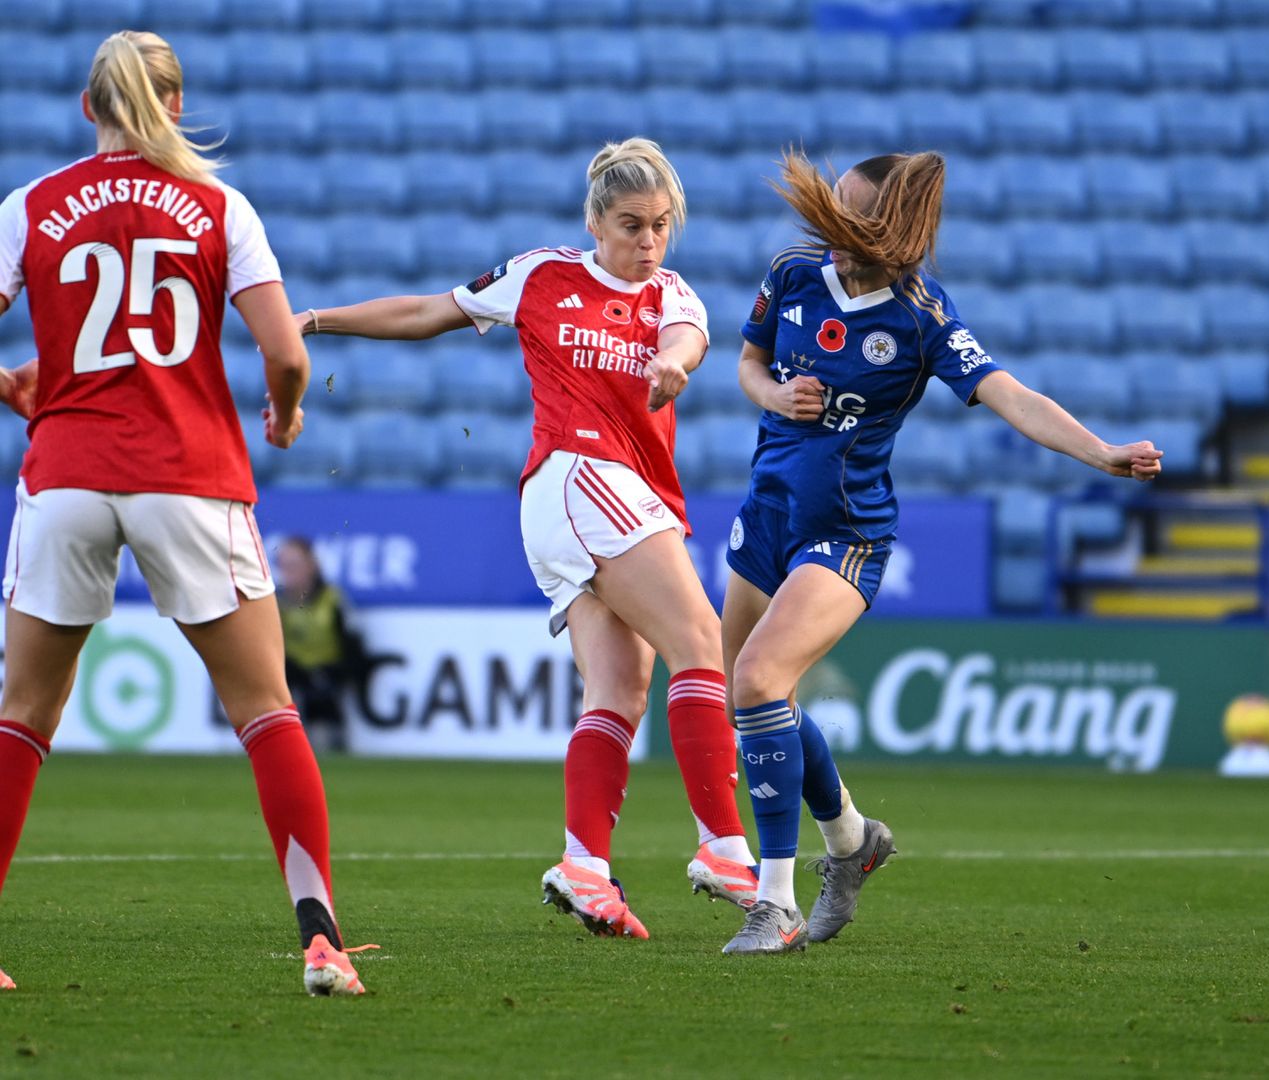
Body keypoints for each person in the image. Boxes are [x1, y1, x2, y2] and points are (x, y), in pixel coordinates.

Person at [299, 138, 757, 938]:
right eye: (629, 225)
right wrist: (316, 319)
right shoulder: (543, 274)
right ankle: (722, 844)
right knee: (700, 641)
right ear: (595, 220)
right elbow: (425, 312)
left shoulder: (675, 297)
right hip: (578, 476)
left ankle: (584, 867)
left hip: (612, 496)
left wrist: (675, 367)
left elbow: (687, 340)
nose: (646, 242)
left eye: (659, 227)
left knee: (620, 690)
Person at [0, 31, 375, 995]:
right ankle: (322, 942)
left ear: (89, 109)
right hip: (188, 475)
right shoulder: (219, 206)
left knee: (24, 715)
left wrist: (16, 381)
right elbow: (285, 352)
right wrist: (286, 413)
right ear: (174, 106)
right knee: (264, 709)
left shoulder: (30, 207)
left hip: (67, 476)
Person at [720, 150, 1163, 955]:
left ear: (895, 231)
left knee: (757, 679)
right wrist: (776, 393)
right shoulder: (791, 271)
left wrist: (1099, 452)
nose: (835, 234)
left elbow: (1011, 395)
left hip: (846, 534)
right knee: (752, 698)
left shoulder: (921, 316)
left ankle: (774, 903)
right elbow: (749, 363)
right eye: (832, 215)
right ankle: (854, 842)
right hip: (767, 513)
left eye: (854, 220)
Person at [274, 536, 366, 753]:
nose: (288, 572)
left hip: (326, 675)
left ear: (311, 565)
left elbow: (352, 647)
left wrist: (340, 675)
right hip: (289, 675)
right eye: (284, 565)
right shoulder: (274, 604)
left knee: (321, 698)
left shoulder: (333, 600)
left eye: (294, 565)